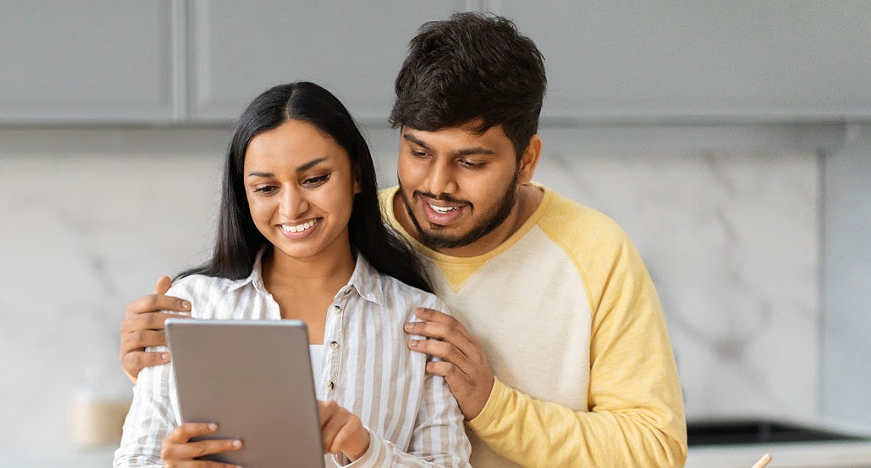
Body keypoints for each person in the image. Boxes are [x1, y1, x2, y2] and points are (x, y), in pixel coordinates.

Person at [120, 13, 687, 467]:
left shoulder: (594, 253)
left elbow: (657, 452)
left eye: (471, 161)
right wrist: (154, 362)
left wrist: (492, 404)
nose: (437, 185)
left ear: (527, 160)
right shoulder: (342, 230)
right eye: (418, 152)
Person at [114, 81, 472, 468]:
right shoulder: (190, 306)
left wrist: (368, 452)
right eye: (266, 188)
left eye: (315, 179)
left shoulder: (419, 318)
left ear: (355, 175)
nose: (292, 207)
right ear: (244, 195)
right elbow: (136, 459)